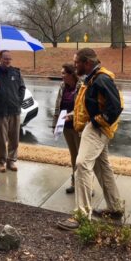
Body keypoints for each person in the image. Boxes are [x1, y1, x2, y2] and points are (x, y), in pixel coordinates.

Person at [57, 48, 124, 231]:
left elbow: (115, 108)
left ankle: (81, 215)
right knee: (103, 169)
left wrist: (96, 122)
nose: (75, 65)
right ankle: (115, 208)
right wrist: (73, 116)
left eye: (77, 62)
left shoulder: (101, 79)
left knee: (82, 165)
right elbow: (86, 107)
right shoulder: (91, 79)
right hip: (94, 127)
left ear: (87, 62)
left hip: (97, 129)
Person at [0, 50, 26, 172]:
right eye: (5, 58)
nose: (8, 61)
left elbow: (22, 88)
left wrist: (19, 101)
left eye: (9, 58)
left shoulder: (16, 72)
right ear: (0, 59)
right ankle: (1, 162)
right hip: (0, 110)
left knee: (14, 138)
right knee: (0, 138)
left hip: (14, 110)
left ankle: (11, 161)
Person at [52, 63, 82, 194]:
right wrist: (55, 124)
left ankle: (87, 186)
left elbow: (82, 107)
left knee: (82, 159)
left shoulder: (81, 87)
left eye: (64, 73)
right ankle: (75, 183)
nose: (61, 75)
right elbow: (58, 106)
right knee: (74, 156)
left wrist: (72, 116)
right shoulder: (62, 86)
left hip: (78, 127)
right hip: (66, 127)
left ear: (71, 74)